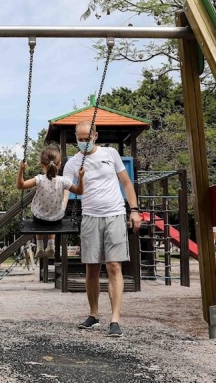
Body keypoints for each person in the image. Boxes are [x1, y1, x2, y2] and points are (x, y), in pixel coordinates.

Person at [63, 120, 141, 338]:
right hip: (90, 217)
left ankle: (115, 319)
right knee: (92, 269)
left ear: (95, 136)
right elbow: (66, 189)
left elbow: (126, 183)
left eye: (87, 138)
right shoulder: (73, 163)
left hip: (115, 214)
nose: (83, 142)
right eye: (79, 138)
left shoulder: (110, 154)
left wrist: (134, 209)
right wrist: (59, 211)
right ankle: (94, 315)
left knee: (114, 266)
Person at [16, 147, 85, 258]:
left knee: (38, 214)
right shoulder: (64, 181)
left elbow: (20, 185)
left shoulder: (39, 179)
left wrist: (21, 170)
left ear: (41, 165)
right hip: (56, 219)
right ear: (59, 164)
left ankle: (39, 247)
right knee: (54, 213)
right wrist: (81, 178)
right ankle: (51, 245)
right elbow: (80, 191)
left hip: (39, 219)